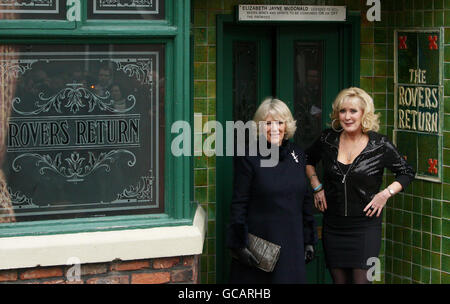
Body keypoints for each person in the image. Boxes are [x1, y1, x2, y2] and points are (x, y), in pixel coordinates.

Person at [305, 87, 415, 284]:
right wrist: (316, 186)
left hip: (366, 227)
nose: (347, 116)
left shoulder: (380, 145)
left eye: (353, 111)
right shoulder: (327, 139)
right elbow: (307, 159)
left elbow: (407, 172)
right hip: (334, 226)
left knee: (362, 282)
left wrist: (385, 194)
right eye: (342, 111)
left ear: (364, 113)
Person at [226, 97, 317, 284]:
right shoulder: (248, 156)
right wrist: (238, 244)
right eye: (268, 123)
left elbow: (306, 200)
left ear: (287, 125)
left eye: (279, 122)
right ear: (259, 126)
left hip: (292, 243)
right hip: (262, 249)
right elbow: (239, 203)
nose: (274, 128)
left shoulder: (297, 154)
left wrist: (309, 240)